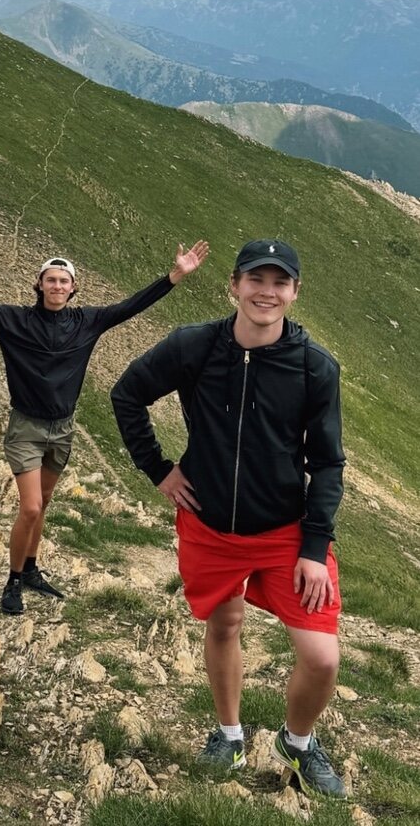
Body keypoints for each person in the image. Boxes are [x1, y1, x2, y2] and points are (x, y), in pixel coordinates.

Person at [110, 239, 347, 798]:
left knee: (322, 657)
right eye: (256, 280)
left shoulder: (314, 368)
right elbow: (127, 395)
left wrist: (314, 550)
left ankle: (298, 741)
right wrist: (159, 470)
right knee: (225, 625)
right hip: (210, 526)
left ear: (294, 292)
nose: (267, 292)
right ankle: (229, 734)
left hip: (286, 532)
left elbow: (329, 463)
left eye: (279, 282)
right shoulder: (194, 346)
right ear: (234, 286)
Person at [0, 236, 209, 616]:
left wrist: (173, 277)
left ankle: (30, 569)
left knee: (43, 504)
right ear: (39, 284)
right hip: (26, 428)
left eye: (64, 281)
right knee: (29, 507)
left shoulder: (87, 322)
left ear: (73, 287)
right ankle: (13, 581)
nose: (57, 286)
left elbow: (131, 307)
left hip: (63, 429)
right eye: (51, 279)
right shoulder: (15, 320)